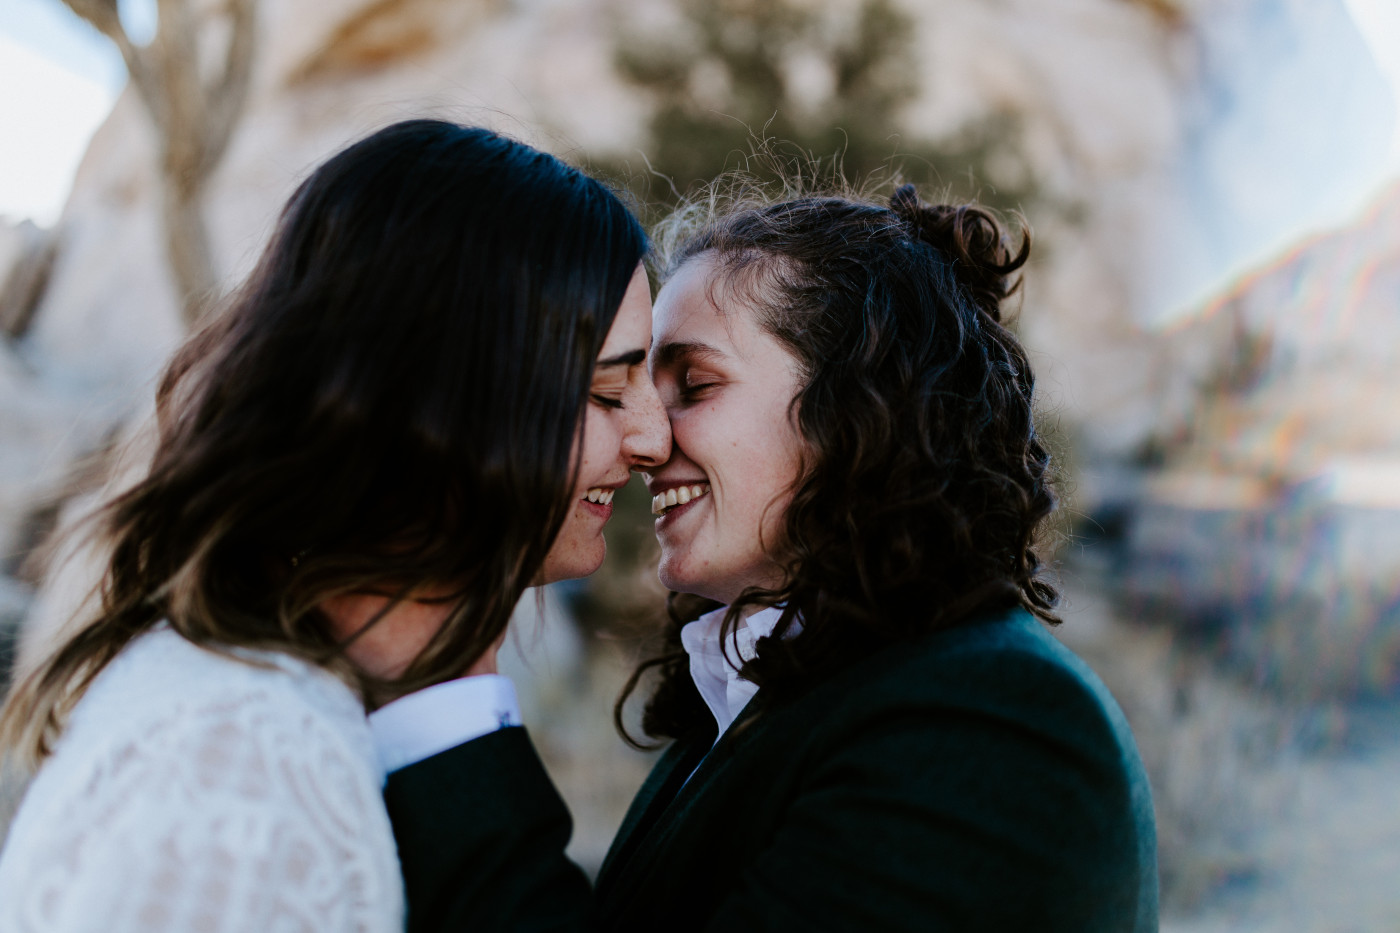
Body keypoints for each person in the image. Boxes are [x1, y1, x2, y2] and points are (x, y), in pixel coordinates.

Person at [380, 182, 1159, 931]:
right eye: (631, 389)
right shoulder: (764, 704)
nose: (645, 440)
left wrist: (445, 681)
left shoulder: (992, 722)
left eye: (695, 382)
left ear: (861, 408)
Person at [0, 119, 668, 931]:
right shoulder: (240, 767)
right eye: (606, 391)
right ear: (450, 407)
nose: (653, 439)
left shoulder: (311, 708)